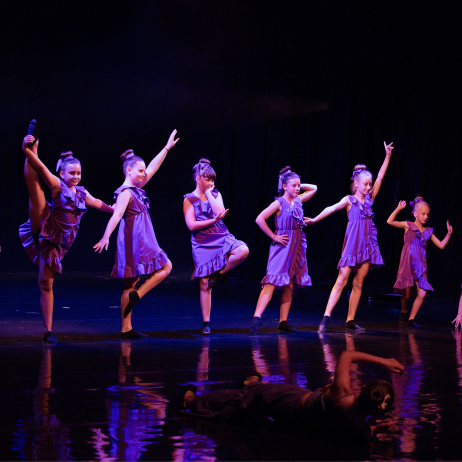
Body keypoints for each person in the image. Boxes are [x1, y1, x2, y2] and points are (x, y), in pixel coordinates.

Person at [19, 120, 114, 343]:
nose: (76, 177)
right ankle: (48, 331)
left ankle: (48, 331)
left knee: (47, 282)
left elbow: (98, 203)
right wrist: (27, 150)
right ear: (62, 173)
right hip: (44, 231)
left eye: (78, 173)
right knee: (34, 187)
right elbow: (41, 169)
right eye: (71, 173)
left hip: (60, 244)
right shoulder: (57, 185)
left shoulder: (82, 193)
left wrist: (115, 210)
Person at [180, 350, 404, 443]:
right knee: (257, 393)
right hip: (301, 423)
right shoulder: (359, 426)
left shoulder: (343, 392)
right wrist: (380, 428)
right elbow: (366, 433)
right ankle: (252, 382)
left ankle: (191, 401)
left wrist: (383, 361)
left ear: (363, 388)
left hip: (291, 402)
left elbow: (347, 355)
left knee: (242, 399)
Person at [94, 130, 179, 338]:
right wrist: (105, 236)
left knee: (131, 283)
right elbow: (116, 216)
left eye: (143, 171)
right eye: (140, 171)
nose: (143, 174)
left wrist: (166, 148)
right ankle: (137, 297)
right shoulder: (125, 193)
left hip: (136, 239)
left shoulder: (135, 188)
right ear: (129, 170)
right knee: (165, 267)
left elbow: (152, 168)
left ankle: (127, 327)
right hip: (138, 240)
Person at [306, 142, 394, 333]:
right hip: (353, 243)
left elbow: (381, 177)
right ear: (356, 184)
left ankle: (350, 320)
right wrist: (315, 219)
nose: (369, 187)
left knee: (359, 281)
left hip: (368, 244)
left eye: (370, 184)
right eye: (366, 184)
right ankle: (326, 316)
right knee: (342, 278)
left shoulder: (370, 200)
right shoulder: (349, 200)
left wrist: (387, 156)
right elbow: (331, 208)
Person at [183, 159, 249, 334]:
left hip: (220, 235)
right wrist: (212, 220)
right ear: (198, 178)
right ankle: (206, 323)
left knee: (243, 250)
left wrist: (209, 193)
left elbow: (220, 212)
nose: (212, 183)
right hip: (202, 241)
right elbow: (191, 225)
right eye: (208, 179)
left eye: (213, 180)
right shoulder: (189, 199)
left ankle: (218, 274)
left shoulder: (215, 194)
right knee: (204, 283)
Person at [250, 166, 317, 334]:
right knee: (271, 282)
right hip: (282, 246)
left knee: (290, 283)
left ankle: (283, 321)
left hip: (297, 245)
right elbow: (259, 219)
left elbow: (314, 188)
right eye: (293, 185)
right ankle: (256, 319)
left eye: (298, 185)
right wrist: (274, 236)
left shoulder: (298, 201)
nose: (297, 188)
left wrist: (296, 183)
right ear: (285, 186)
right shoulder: (279, 203)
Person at [388, 197, 453, 327]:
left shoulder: (428, 231)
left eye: (428, 214)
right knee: (406, 294)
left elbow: (441, 245)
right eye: (423, 214)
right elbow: (390, 221)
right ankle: (404, 311)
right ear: (415, 213)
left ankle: (411, 319)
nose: (426, 217)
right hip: (407, 262)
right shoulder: (408, 225)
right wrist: (399, 208)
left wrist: (449, 233)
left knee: (422, 292)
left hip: (420, 265)